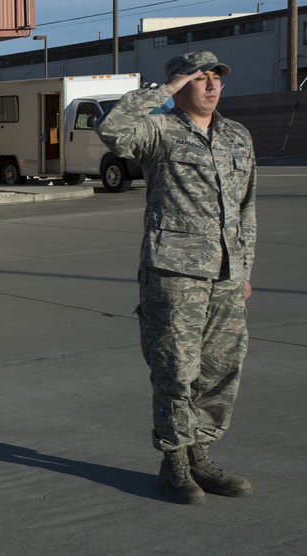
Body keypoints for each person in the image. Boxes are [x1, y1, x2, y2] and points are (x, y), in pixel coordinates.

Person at [96, 51, 256, 505]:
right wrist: (162, 92)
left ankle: (201, 456)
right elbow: (110, 128)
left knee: (219, 370)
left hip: (225, 276)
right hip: (174, 275)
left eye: (216, 77)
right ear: (179, 83)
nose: (211, 85)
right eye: (199, 78)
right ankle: (174, 464)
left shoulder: (237, 136)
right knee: (175, 372)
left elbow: (247, 209)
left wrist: (243, 269)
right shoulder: (159, 131)